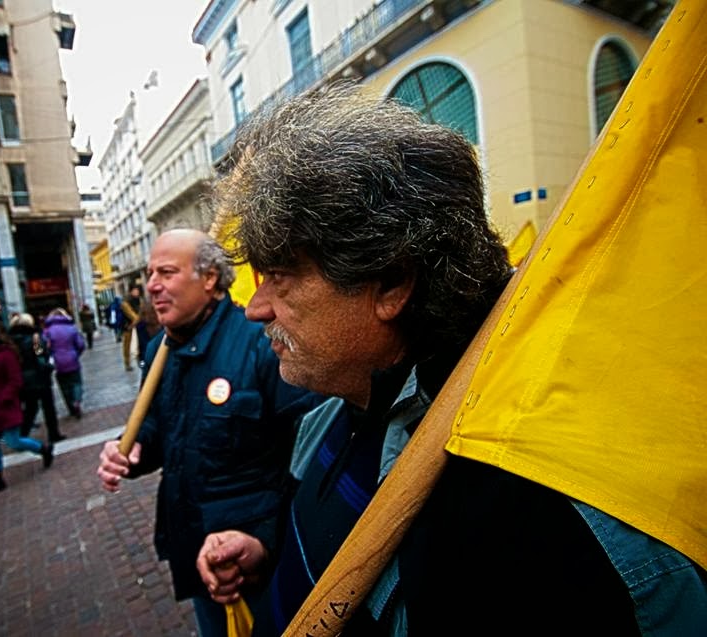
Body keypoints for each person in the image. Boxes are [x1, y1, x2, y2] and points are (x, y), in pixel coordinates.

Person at [194, 86, 706, 635]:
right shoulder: (337, 402)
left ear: (391, 282)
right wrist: (267, 547)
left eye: (281, 275)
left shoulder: (534, 515)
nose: (255, 308)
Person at [96, 229, 321, 637]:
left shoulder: (263, 344)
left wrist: (262, 540)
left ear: (210, 278)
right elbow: (159, 430)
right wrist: (131, 449)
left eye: (167, 272)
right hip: (197, 558)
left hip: (260, 564)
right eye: (150, 274)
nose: (152, 285)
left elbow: (310, 460)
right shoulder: (158, 351)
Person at [0, 320, 53, 500]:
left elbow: (14, 377)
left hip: (7, 399)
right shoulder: (35, 337)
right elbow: (40, 356)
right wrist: (45, 367)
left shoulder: (6, 351)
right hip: (35, 381)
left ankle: (43, 448)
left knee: (13, 440)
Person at [8, 313, 64, 443]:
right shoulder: (35, 339)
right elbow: (40, 356)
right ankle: (53, 433)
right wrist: (48, 367)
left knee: (30, 408)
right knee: (48, 407)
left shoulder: (10, 341)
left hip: (22, 378)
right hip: (39, 377)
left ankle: (22, 433)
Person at [43, 308, 86, 419]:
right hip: (72, 359)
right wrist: (76, 354)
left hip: (57, 362)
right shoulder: (71, 328)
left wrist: (48, 357)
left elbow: (42, 348)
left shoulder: (47, 331)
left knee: (64, 386)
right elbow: (80, 344)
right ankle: (77, 401)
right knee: (76, 383)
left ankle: (71, 407)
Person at [119, 287, 142, 371]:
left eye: (137, 290)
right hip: (127, 327)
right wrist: (138, 320)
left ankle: (140, 360)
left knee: (140, 344)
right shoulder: (125, 303)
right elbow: (132, 315)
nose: (137, 292)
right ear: (130, 292)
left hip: (137, 326)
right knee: (127, 346)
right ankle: (127, 363)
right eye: (135, 290)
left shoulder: (139, 300)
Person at [134, 298, 161, 367]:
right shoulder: (161, 323)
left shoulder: (139, 325)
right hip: (160, 358)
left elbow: (140, 346)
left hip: (147, 359)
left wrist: (142, 362)